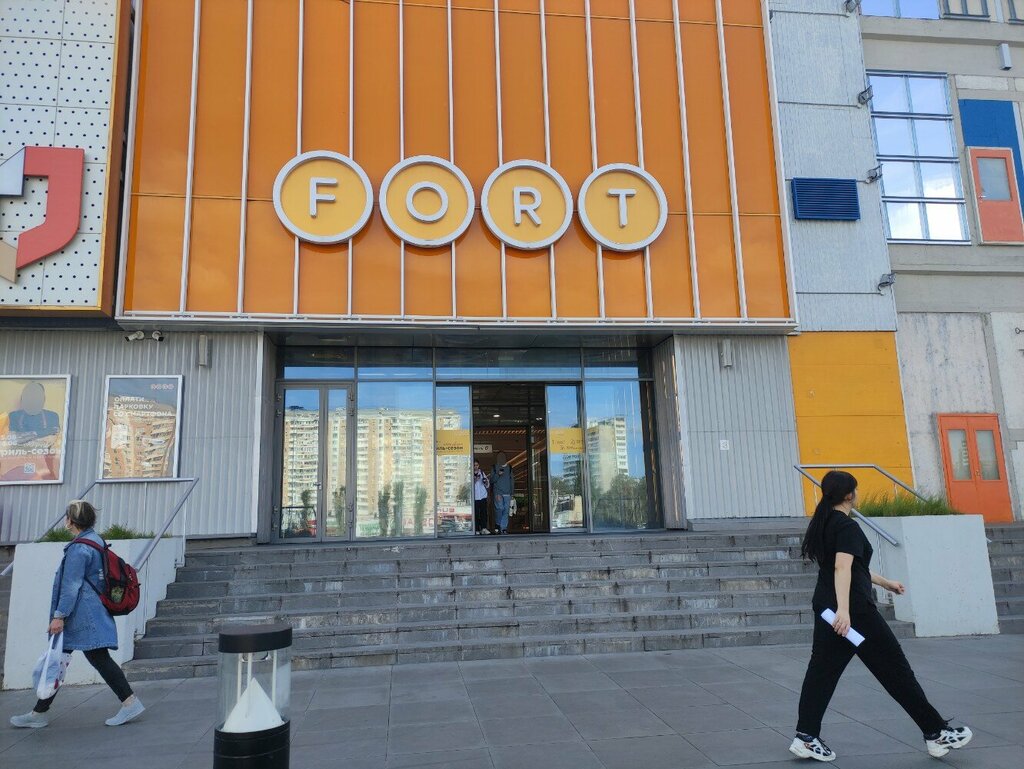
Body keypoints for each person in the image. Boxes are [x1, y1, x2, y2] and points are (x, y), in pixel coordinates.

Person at [790, 471, 972, 762]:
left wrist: (886, 583)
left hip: (827, 611)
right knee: (895, 670)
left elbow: (854, 567)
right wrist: (845, 611)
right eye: (856, 490)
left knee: (821, 674)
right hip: (854, 614)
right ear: (849, 495)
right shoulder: (846, 526)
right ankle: (936, 732)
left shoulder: (823, 523)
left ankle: (806, 737)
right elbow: (841, 568)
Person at [10, 500, 145, 729]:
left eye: (67, 517)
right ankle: (39, 712)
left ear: (70, 521)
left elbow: (71, 586)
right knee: (60, 658)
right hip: (89, 611)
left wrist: (59, 616)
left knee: (92, 658)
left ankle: (130, 702)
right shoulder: (96, 541)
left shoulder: (79, 548)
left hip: (82, 615)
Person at [490, 452, 514, 535]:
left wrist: (512, 493)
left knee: (506, 511)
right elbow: (492, 480)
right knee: (499, 508)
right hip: (498, 492)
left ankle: (503, 528)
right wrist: (498, 474)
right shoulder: (494, 467)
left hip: (507, 493)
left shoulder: (509, 467)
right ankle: (498, 524)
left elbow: (512, 480)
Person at [473, 459, 491, 535]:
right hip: (475, 497)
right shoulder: (469, 473)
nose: (475, 467)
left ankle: (484, 528)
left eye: (477, 465)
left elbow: (487, 485)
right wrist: (475, 480)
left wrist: (486, 482)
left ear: (479, 465)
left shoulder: (482, 473)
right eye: (474, 465)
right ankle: (476, 529)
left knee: (484, 513)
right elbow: (468, 486)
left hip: (483, 496)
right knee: (476, 514)